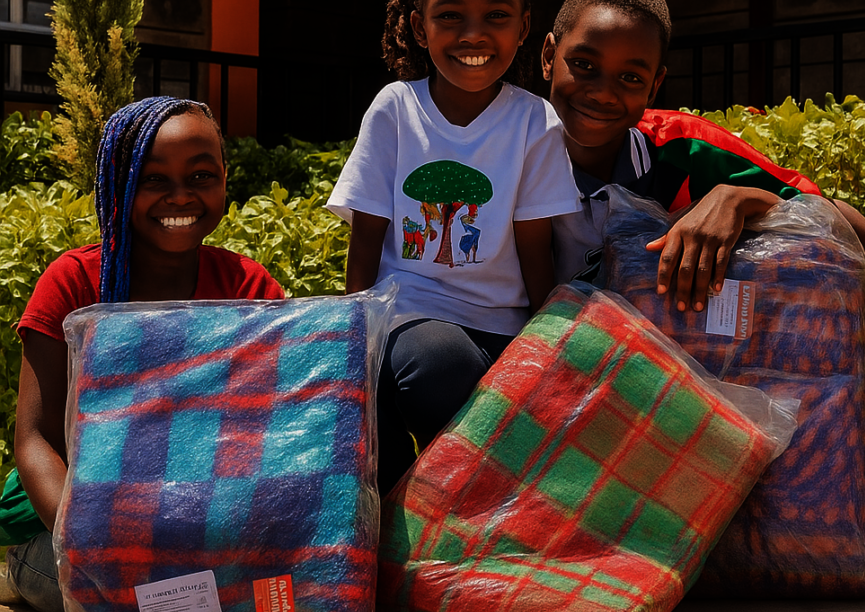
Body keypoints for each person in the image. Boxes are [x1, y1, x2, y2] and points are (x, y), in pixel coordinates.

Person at [9, 96, 286, 612]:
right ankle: (20, 571)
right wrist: (86, 544)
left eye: (201, 175)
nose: (180, 195)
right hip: (79, 529)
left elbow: (277, 435)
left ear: (225, 179)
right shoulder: (75, 283)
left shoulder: (249, 289)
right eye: (153, 178)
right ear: (120, 184)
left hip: (208, 531)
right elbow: (35, 439)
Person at [326, 0, 580, 494]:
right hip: (409, 319)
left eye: (496, 16)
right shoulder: (396, 108)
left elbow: (535, 249)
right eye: (450, 16)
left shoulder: (534, 120)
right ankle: (398, 506)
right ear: (419, 28)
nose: (473, 34)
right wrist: (351, 339)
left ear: (524, 27)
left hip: (501, 327)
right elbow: (367, 235)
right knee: (438, 368)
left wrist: (546, 348)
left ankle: (455, 511)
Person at [541, 0, 865, 312]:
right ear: (548, 56)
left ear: (655, 86)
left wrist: (741, 200)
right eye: (584, 64)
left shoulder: (689, 150)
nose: (603, 93)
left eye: (630, 77)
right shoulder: (517, 150)